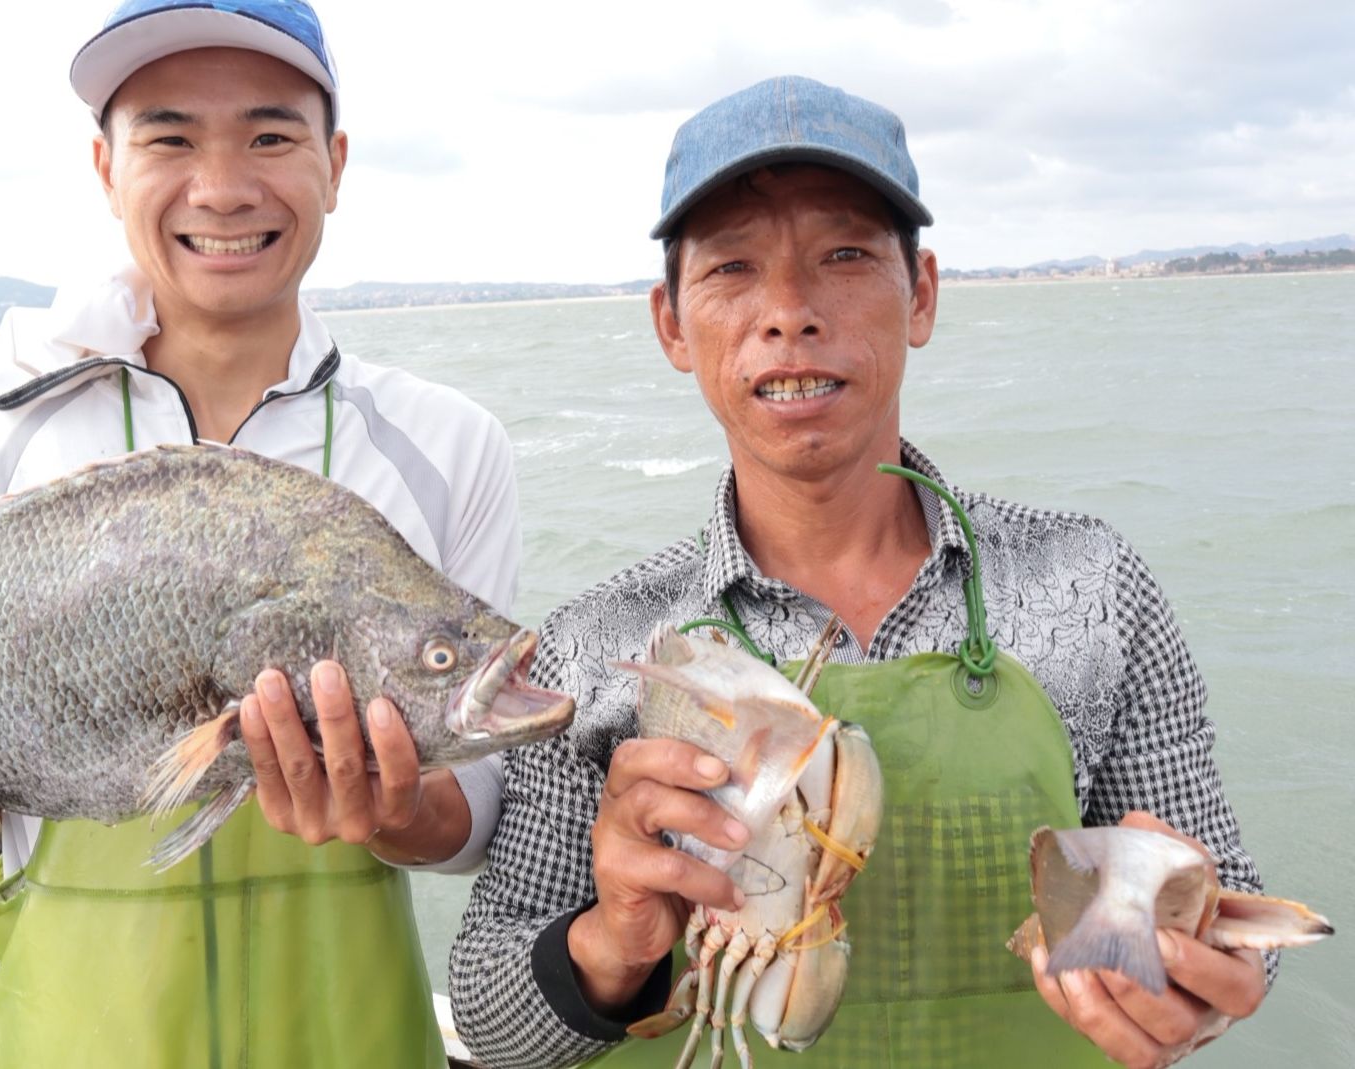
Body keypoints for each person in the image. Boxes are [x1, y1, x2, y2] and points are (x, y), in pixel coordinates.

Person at [0, 1, 519, 1064]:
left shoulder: (449, 443)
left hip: (351, 1038)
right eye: (168, 136)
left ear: (334, 163)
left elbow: (479, 816)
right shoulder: (6, 433)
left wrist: (392, 805)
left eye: (270, 133)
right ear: (106, 169)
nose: (221, 186)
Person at [450, 76, 1271, 1069]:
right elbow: (490, 1018)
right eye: (733, 268)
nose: (789, 311)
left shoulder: (1091, 585)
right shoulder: (600, 644)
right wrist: (613, 941)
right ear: (672, 323)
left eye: (843, 255)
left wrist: (1201, 983)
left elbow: (1224, 913)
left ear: (919, 293)